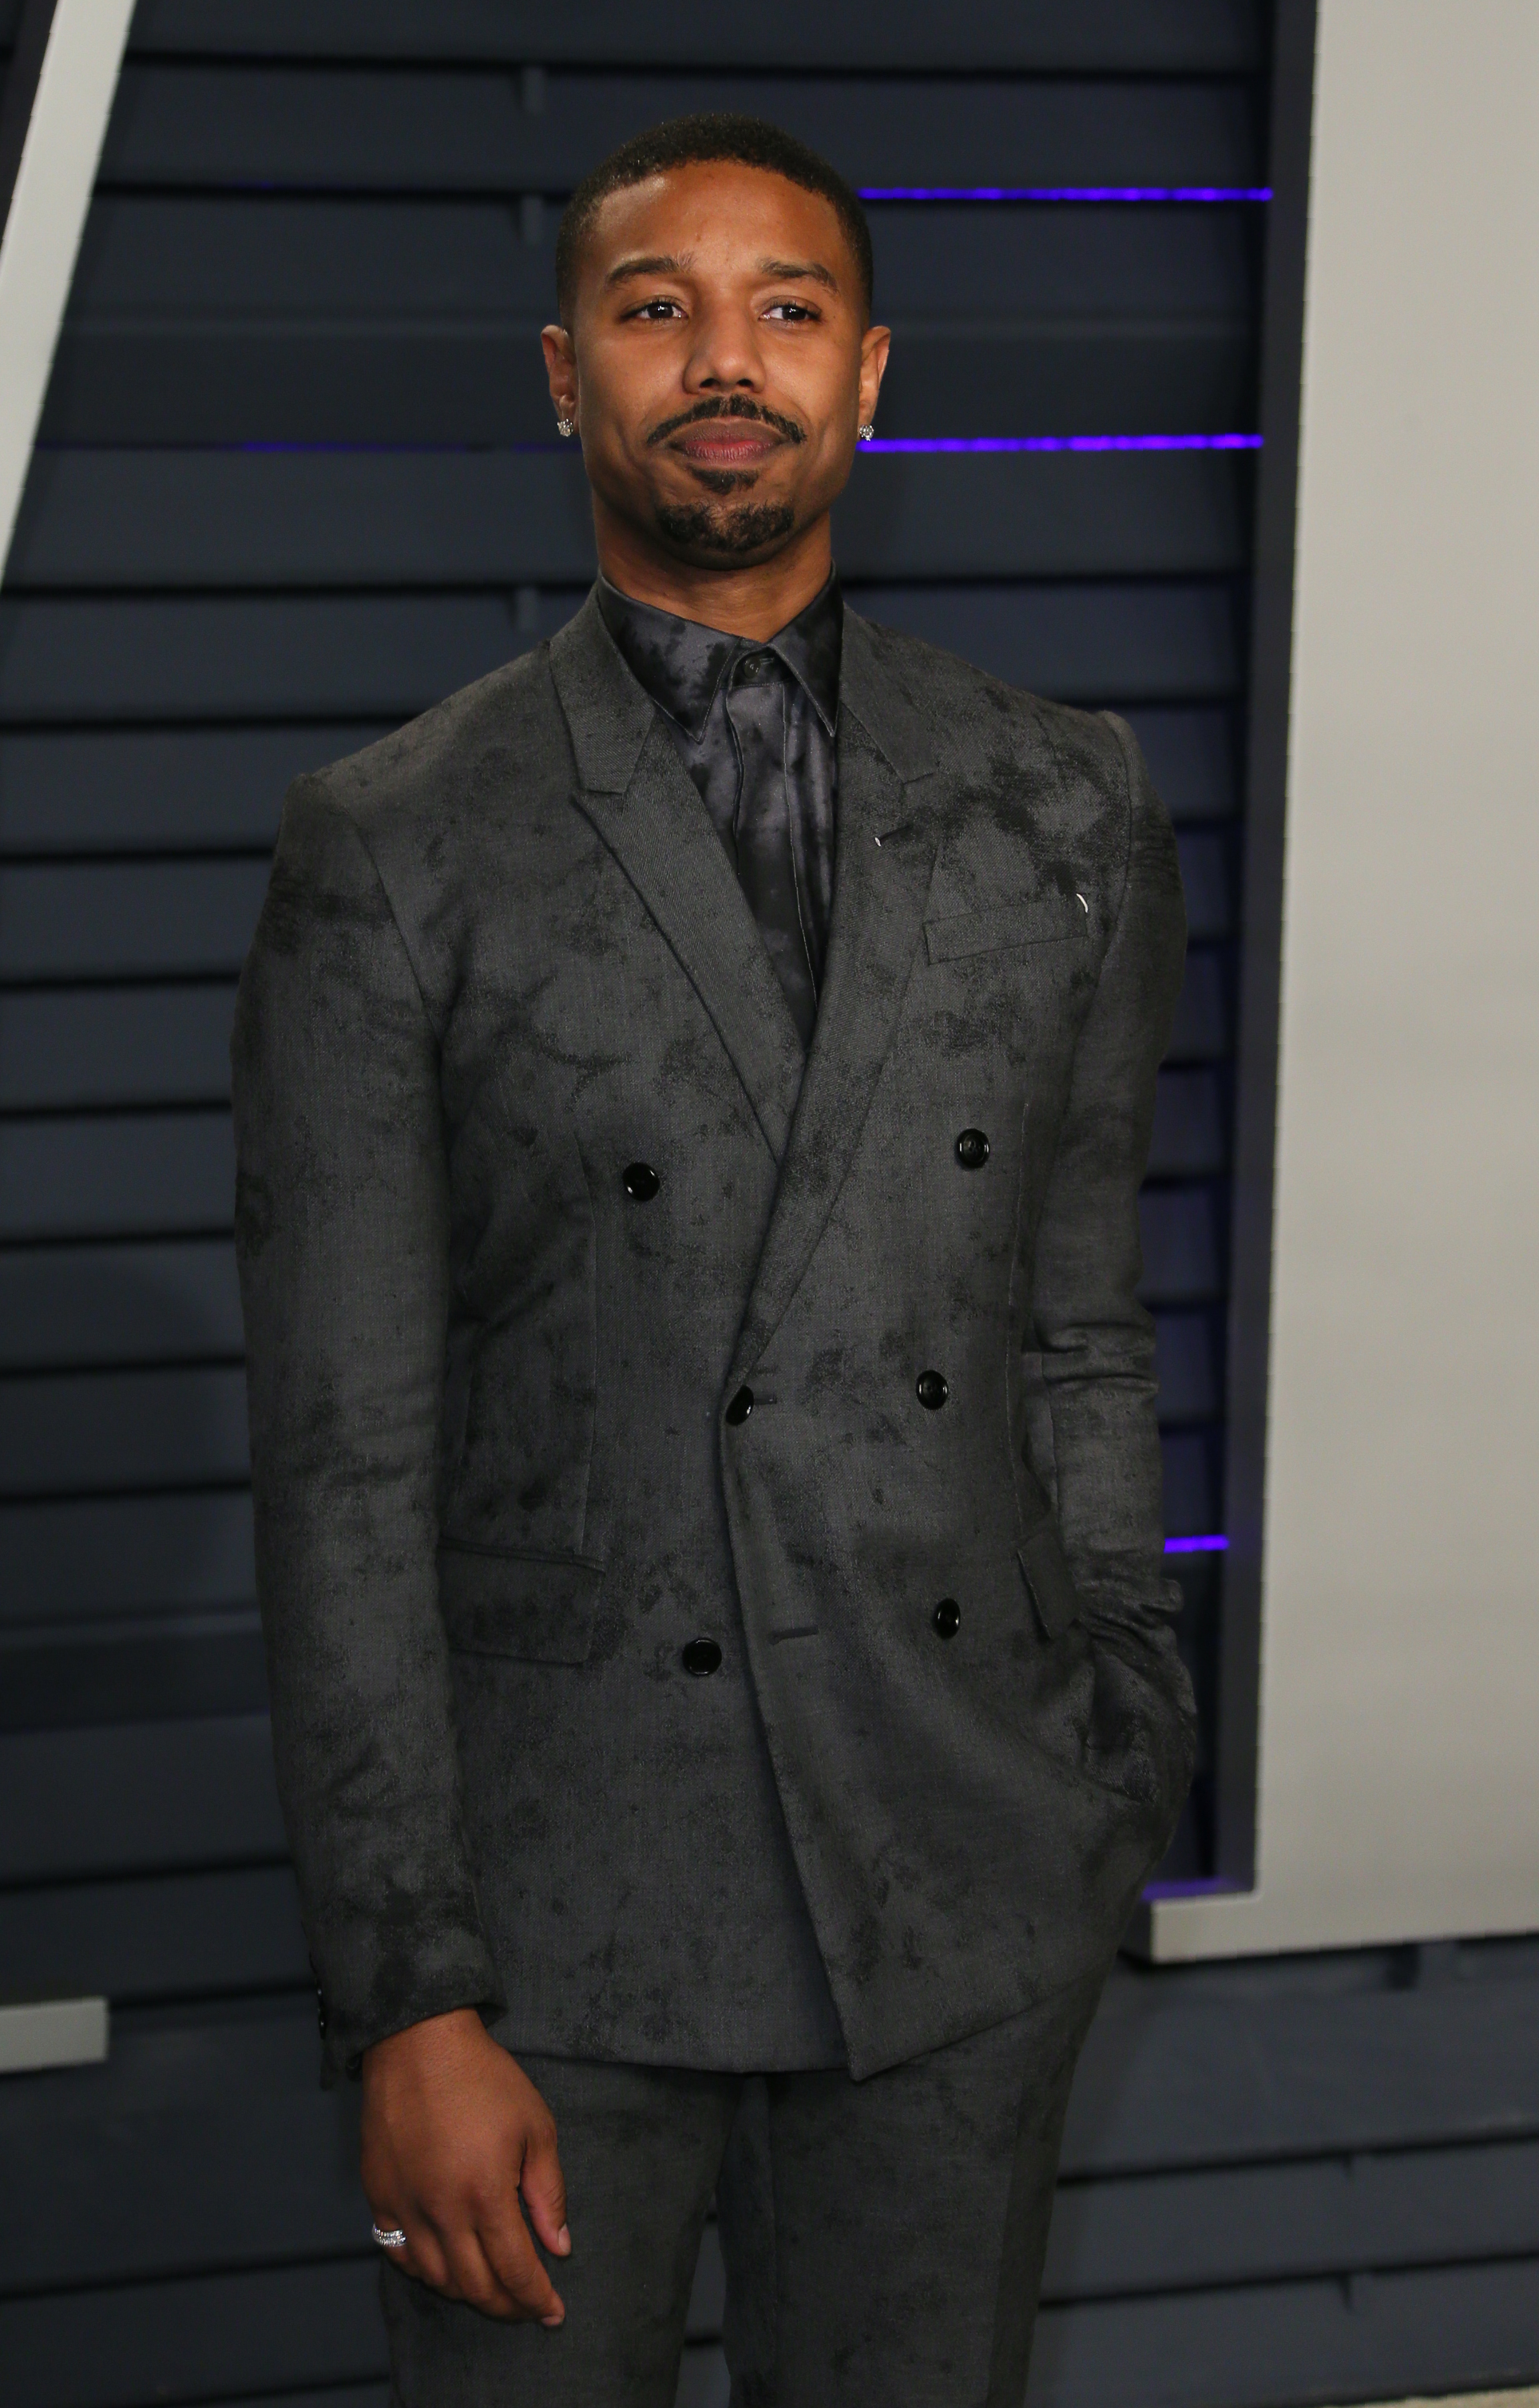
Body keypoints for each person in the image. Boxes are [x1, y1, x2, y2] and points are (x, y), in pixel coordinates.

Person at [232, 111, 1194, 2408]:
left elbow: (1068, 1322)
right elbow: (345, 1458)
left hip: (964, 1862)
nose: (721, 360)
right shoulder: (395, 844)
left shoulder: (1062, 796)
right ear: (567, 375)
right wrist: (409, 1990)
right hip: (558, 1912)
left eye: (780, 311)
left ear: (872, 372)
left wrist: (1114, 1743)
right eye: (656, 308)